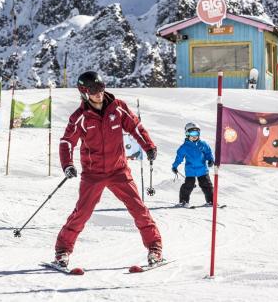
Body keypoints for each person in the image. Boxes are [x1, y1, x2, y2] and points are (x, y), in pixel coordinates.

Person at [54, 71, 162, 267]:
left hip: (119, 170)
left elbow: (135, 127)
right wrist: (68, 165)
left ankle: (155, 248)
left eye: (101, 88)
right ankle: (62, 251)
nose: (99, 93)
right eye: (94, 90)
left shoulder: (117, 108)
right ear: (84, 92)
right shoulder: (80, 117)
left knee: (138, 209)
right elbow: (67, 142)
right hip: (93, 174)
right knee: (82, 213)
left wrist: (149, 146)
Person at [171, 122, 214, 208]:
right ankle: (184, 201)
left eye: (197, 133)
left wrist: (210, 160)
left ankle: (211, 201)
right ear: (187, 134)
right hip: (190, 170)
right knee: (188, 186)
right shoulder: (184, 147)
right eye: (192, 133)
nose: (195, 135)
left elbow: (208, 153)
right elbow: (179, 158)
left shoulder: (203, 144)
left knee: (207, 185)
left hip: (202, 170)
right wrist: (175, 166)